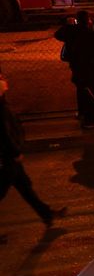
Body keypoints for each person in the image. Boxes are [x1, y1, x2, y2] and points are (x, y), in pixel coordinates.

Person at [0, 70, 67, 229]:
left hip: (10, 156)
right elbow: (3, 133)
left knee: (24, 187)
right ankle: (46, 213)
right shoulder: (0, 107)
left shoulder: (3, 104)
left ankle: (46, 213)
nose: (5, 80)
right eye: (2, 78)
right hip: (8, 157)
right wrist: (15, 152)